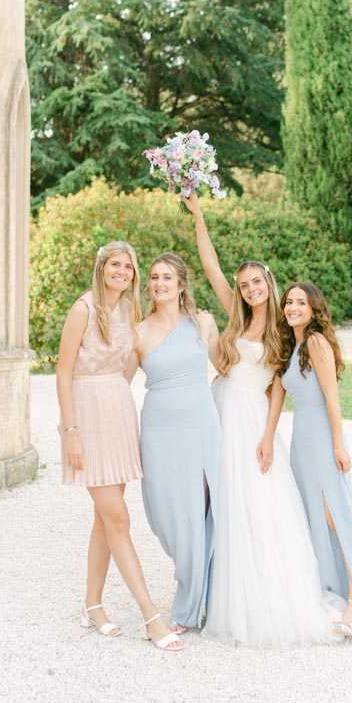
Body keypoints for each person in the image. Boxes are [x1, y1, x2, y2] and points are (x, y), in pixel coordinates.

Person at [183, 196, 337, 648]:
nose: (250, 289)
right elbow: (210, 268)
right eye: (244, 283)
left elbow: (278, 389)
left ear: (269, 283)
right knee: (224, 502)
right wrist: (199, 217)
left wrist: (269, 437)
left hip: (252, 420)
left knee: (257, 501)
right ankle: (216, 590)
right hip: (219, 411)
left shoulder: (285, 328)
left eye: (257, 282)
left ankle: (264, 594)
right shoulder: (235, 314)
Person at [56, 241, 184, 652]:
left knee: (105, 520)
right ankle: (151, 615)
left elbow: (140, 358)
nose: (123, 272)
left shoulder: (129, 312)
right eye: (116, 265)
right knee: (119, 519)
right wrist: (70, 430)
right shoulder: (83, 309)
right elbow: (61, 370)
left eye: (129, 267)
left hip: (119, 412)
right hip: (87, 415)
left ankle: (93, 604)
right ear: (102, 267)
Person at [262, 282, 352, 638]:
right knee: (316, 518)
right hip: (301, 445)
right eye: (289, 302)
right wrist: (266, 440)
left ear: (313, 308)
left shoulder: (316, 342)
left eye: (301, 302)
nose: (293, 307)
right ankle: (336, 591)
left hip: (323, 442)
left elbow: (333, 399)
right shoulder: (290, 347)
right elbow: (277, 399)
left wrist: (339, 446)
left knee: (337, 517)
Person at [128, 253, 220, 634]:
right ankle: (192, 583)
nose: (159, 283)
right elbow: (118, 383)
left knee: (199, 510)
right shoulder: (139, 331)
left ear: (182, 284)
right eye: (154, 277)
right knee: (166, 515)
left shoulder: (203, 323)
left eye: (167, 277)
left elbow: (228, 366)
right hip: (159, 430)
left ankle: (194, 603)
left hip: (200, 425)